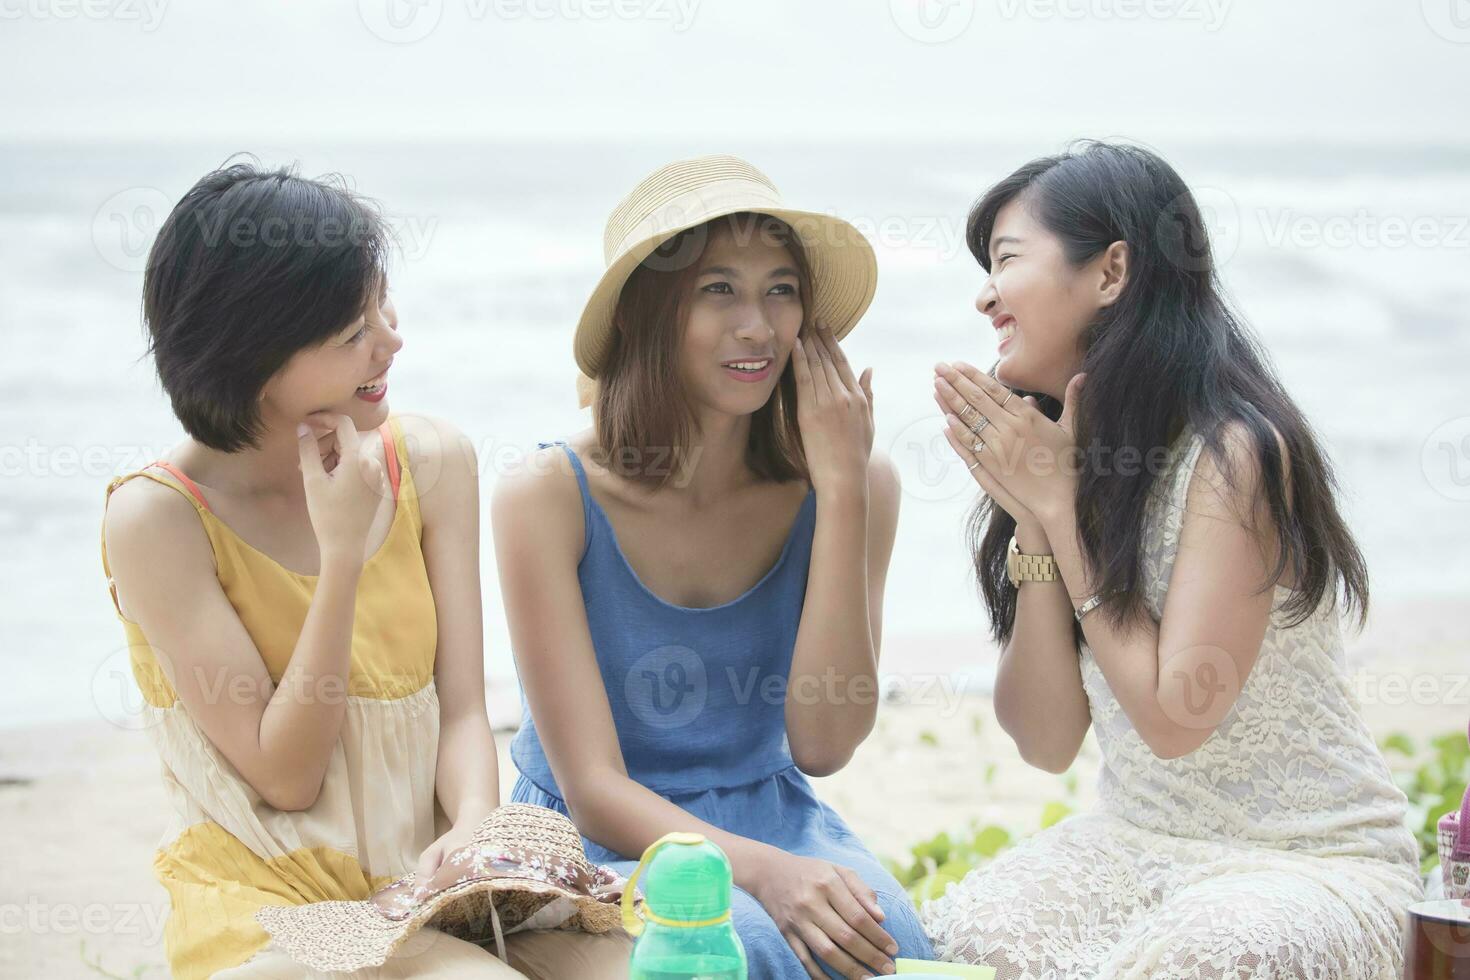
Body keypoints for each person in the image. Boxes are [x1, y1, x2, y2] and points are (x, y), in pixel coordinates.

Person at [100, 161, 632, 979]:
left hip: (430, 889)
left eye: (383, 304)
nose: (391, 339)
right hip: (275, 912)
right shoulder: (159, 520)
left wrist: (476, 830)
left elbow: (462, 709)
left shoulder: (433, 461)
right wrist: (342, 555)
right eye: (354, 332)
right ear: (255, 356)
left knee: (660, 962)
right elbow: (286, 773)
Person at [920, 140, 1423, 979]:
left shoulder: (1236, 454)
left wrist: (1057, 508)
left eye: (1005, 260)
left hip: (1308, 859)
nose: (984, 295)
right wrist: (1041, 523)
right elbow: (1043, 740)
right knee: (975, 938)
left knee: (1204, 959)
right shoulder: (1063, 459)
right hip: (1135, 843)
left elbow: (1173, 717)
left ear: (1111, 272)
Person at [494, 155, 936, 979]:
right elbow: (593, 787)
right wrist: (766, 875)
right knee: (731, 949)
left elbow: (825, 742)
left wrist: (841, 492)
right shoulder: (546, 495)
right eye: (718, 290)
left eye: (780, 290)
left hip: (771, 812)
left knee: (893, 948)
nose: (759, 328)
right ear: (643, 315)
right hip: (602, 837)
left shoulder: (854, 483)